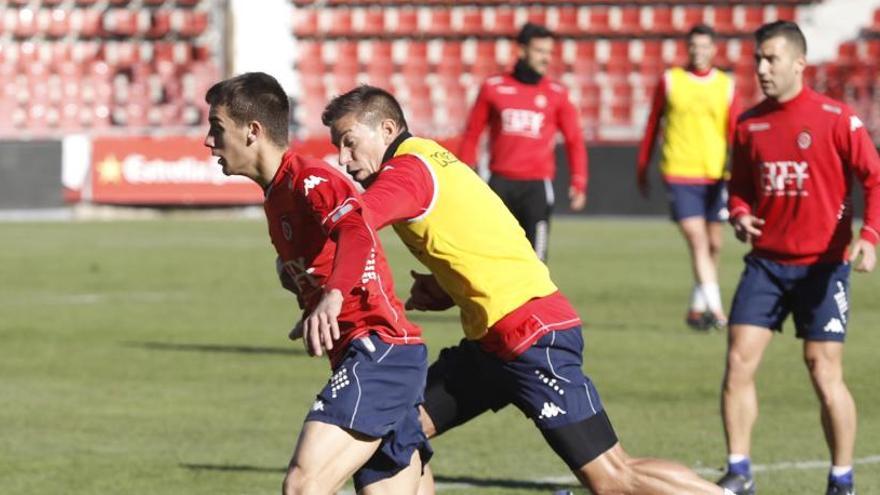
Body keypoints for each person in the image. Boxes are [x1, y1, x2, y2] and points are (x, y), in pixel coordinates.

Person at [321, 85, 732, 495]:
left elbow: (357, 222)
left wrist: (332, 292)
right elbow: (481, 238)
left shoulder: (407, 171)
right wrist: (445, 286)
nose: (343, 158)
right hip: (492, 342)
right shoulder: (428, 159)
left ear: (388, 128)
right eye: (339, 146)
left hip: (529, 336)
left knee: (612, 477)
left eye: (350, 142)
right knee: (395, 431)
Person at [203, 72, 431, 495]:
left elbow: (358, 230)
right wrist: (309, 298)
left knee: (303, 486)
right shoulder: (277, 195)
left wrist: (331, 297)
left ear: (253, 131)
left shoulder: (311, 178)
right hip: (376, 356)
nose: (208, 141)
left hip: (377, 352)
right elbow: (323, 256)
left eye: (217, 129)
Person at [718, 21, 879, 495]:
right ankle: (738, 469)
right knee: (738, 363)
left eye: (771, 59)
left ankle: (841, 477)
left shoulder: (835, 118)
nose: (762, 68)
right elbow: (740, 188)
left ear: (799, 63)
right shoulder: (749, 124)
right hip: (766, 264)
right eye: (758, 60)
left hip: (823, 267)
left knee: (823, 370)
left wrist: (869, 234)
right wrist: (740, 213)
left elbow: (874, 176)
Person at [636, 24, 742, 330]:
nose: (699, 52)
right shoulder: (671, 81)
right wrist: (642, 167)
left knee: (714, 244)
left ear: (714, 49)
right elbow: (652, 125)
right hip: (680, 172)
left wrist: (740, 172)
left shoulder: (725, 85)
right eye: (694, 46)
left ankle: (697, 309)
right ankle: (718, 310)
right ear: (687, 48)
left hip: (715, 173)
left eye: (705, 46)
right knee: (697, 241)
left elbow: (735, 132)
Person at [457, 22, 588, 262]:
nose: (546, 58)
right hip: (499, 185)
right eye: (540, 51)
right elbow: (472, 133)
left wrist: (579, 181)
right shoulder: (493, 87)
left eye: (549, 52)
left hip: (536, 188)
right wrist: (464, 174)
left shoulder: (557, 93)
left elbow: (574, 140)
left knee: (536, 263)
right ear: (522, 50)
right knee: (491, 257)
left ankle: (533, 302)